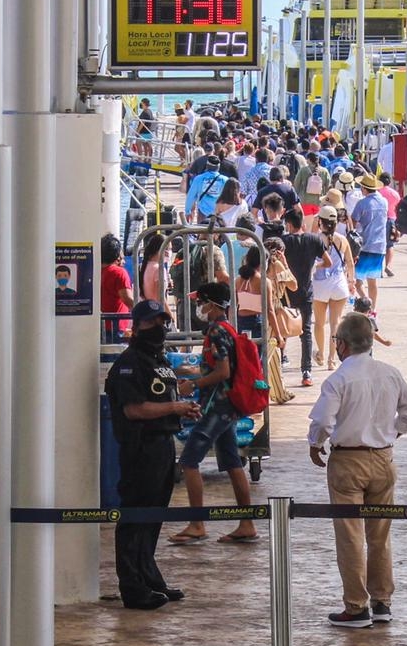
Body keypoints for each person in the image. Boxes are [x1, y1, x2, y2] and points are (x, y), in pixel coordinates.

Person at [307, 313, 407, 628]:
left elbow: (323, 422)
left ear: (341, 344)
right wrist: (392, 433)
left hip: (348, 462)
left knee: (350, 535)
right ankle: (382, 601)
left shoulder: (339, 379)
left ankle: (356, 607)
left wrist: (315, 444)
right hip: (383, 459)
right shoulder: (390, 373)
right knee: (380, 534)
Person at [105, 300, 201, 608]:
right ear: (137, 326)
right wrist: (175, 407)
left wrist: (182, 405)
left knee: (154, 516)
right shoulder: (129, 364)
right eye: (151, 322)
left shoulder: (158, 360)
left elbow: (160, 398)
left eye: (163, 320)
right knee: (136, 516)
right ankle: (132, 587)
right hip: (140, 448)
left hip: (162, 445)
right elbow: (134, 409)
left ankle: (149, 576)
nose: (159, 327)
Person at [168, 282, 261, 545]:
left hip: (217, 408)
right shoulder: (227, 329)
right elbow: (216, 370)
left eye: (202, 302)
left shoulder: (218, 332)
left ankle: (197, 524)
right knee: (232, 463)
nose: (199, 307)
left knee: (188, 461)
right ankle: (246, 524)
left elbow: (223, 372)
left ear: (212, 305)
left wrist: (193, 384)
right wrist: (189, 373)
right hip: (227, 407)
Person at [311, 205, 355, 373]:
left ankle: (321, 354)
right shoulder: (342, 239)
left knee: (320, 323)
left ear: (320, 221)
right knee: (335, 323)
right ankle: (332, 359)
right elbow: (350, 263)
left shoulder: (315, 239)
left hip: (320, 284)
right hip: (339, 284)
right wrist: (351, 282)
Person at [281, 206, 320, 388]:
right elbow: (326, 260)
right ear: (302, 223)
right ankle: (306, 371)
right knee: (306, 331)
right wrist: (313, 268)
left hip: (285, 293)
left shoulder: (283, 242)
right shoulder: (313, 240)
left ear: (288, 224)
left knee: (280, 327)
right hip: (306, 291)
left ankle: (280, 360)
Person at [350, 171, 388, 307]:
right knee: (373, 281)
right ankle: (373, 308)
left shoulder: (362, 203)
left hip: (364, 245)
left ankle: (366, 303)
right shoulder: (384, 201)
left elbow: (353, 222)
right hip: (380, 246)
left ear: (364, 188)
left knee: (358, 282)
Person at [99, 233, 134, 342]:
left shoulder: (96, 271)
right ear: (117, 254)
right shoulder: (119, 273)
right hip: (116, 329)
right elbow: (128, 299)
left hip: (101, 327)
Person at [184, 154, 229, 223]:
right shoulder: (225, 180)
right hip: (220, 214)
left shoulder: (199, 179)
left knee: (202, 233)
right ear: (218, 167)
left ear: (207, 166)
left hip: (203, 213)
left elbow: (191, 196)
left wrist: (187, 211)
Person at [377, 170, 401, 277]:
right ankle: (388, 266)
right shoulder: (395, 194)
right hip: (391, 220)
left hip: (378, 220)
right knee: (390, 245)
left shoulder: (377, 192)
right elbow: (398, 208)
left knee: (377, 244)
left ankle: (378, 268)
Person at [294, 151, 331, 220]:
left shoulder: (303, 170)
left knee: (307, 223)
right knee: (316, 224)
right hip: (319, 201)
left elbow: (296, 184)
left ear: (309, 160)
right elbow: (328, 186)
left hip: (305, 200)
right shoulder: (324, 171)